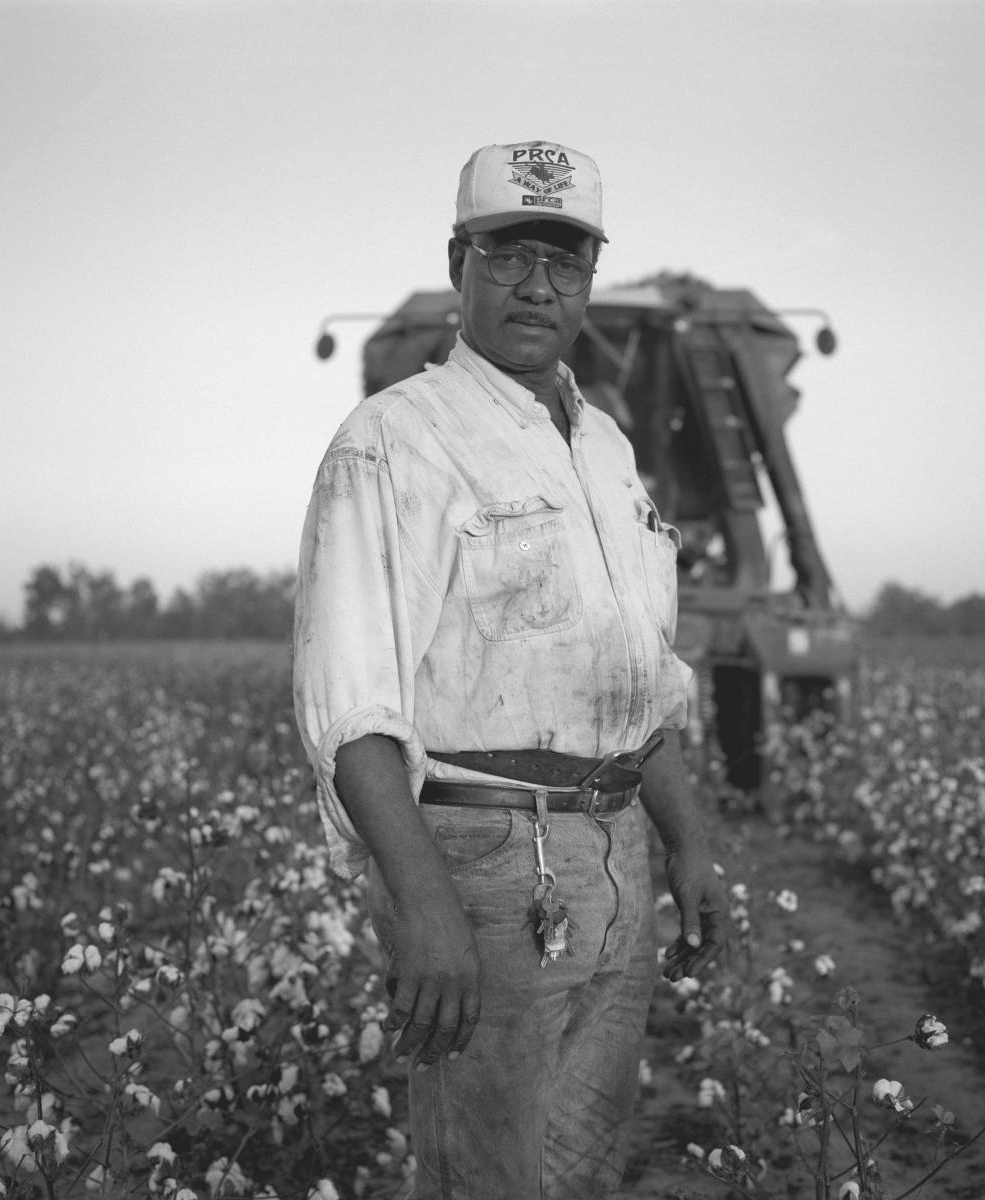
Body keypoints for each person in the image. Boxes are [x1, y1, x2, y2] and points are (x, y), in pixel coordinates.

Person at [293, 139, 728, 1200]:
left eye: (564, 259)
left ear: (590, 278)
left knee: (578, 1168)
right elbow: (354, 712)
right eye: (508, 254)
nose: (538, 285)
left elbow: (642, 687)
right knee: (484, 1179)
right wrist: (425, 904)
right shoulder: (394, 441)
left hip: (615, 851)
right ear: (460, 263)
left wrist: (688, 844)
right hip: (485, 863)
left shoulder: (611, 453)